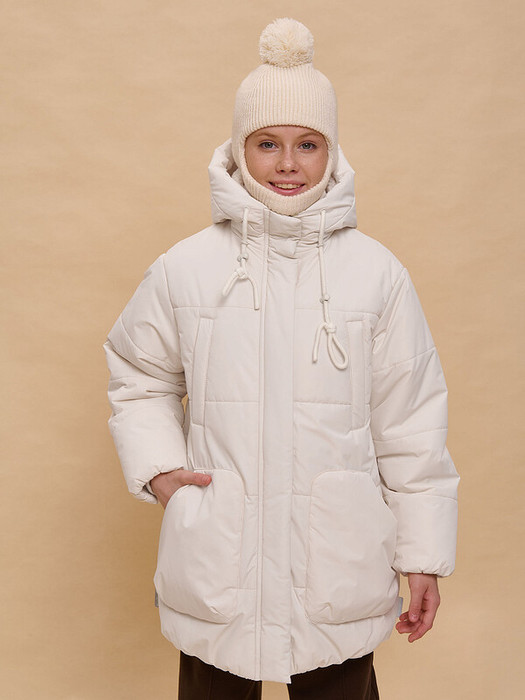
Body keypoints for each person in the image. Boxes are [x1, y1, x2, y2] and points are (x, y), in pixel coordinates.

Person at [103, 18, 459, 699]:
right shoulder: (187, 268)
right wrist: (160, 467)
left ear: (331, 151)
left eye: (307, 144)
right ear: (239, 150)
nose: (287, 163)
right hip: (218, 559)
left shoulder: (376, 275)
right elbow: (139, 372)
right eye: (267, 143)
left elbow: (410, 422)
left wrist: (422, 555)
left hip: (338, 560)